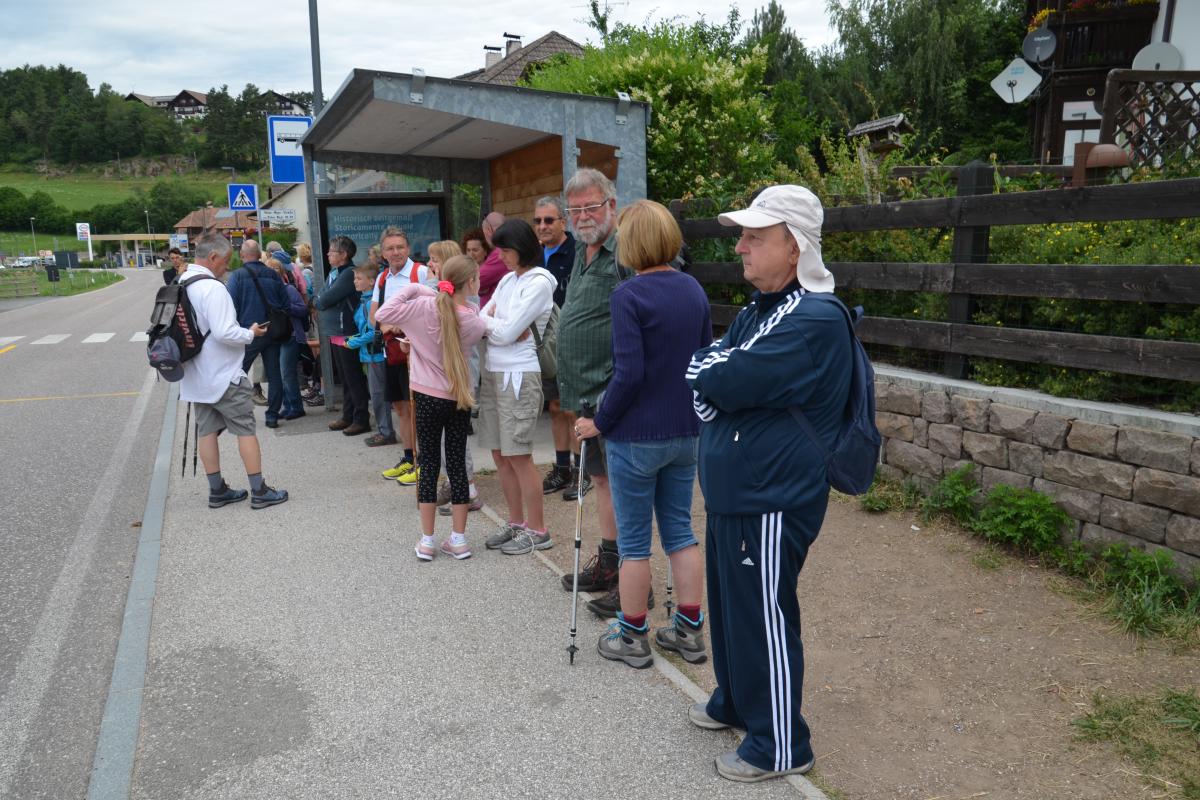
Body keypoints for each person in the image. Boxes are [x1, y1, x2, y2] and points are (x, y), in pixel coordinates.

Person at [685, 185, 847, 783]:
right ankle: (736, 700)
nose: (741, 247)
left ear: (795, 246)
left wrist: (715, 376)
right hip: (740, 489)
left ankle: (781, 742)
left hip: (774, 495)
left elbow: (725, 375)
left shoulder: (815, 319)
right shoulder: (761, 310)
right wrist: (715, 376)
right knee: (730, 608)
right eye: (742, 236)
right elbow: (711, 369)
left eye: (755, 237)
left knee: (764, 614)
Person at [575, 200, 712, 669]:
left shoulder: (628, 296)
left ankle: (633, 634)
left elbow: (629, 373)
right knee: (681, 531)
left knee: (634, 542)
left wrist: (601, 421)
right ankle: (690, 630)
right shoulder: (693, 289)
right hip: (684, 431)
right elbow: (703, 360)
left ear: (629, 244)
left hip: (635, 436)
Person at [376, 255, 487, 560]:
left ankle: (427, 541)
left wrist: (416, 289)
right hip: (458, 396)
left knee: (429, 467)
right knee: (456, 465)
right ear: (472, 282)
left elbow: (384, 312)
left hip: (426, 395)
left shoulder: (423, 306)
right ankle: (459, 539)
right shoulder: (473, 320)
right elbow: (473, 322)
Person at [556, 168, 630, 609]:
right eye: (576, 209)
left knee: (620, 487)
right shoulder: (584, 252)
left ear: (611, 207)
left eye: (591, 207)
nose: (583, 216)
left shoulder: (623, 252)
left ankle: (631, 579)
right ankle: (609, 561)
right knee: (601, 482)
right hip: (586, 396)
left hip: (611, 395)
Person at [177, 232, 288, 510]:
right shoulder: (212, 288)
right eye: (225, 261)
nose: (227, 267)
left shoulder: (182, 282)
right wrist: (250, 333)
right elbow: (226, 332)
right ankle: (259, 490)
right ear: (212, 257)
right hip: (223, 373)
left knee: (206, 431)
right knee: (245, 429)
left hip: (196, 375)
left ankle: (217, 490)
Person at [477, 219, 555, 556]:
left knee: (520, 455)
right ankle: (516, 521)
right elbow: (483, 319)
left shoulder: (539, 282)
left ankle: (539, 529)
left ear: (522, 249)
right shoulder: (508, 280)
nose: (503, 257)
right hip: (495, 371)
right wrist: (499, 325)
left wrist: (496, 325)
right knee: (499, 453)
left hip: (520, 374)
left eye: (506, 250)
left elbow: (503, 331)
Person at [425, 240, 485, 515]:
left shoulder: (461, 298)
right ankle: (455, 482)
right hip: (448, 372)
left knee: (454, 434)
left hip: (458, 373)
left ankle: (467, 486)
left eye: (434, 261)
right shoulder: (446, 296)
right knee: (446, 436)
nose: (429, 266)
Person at [531, 196, 583, 500]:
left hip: (573, 340)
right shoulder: (534, 255)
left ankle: (582, 471)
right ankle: (562, 468)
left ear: (563, 221)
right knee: (554, 407)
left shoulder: (576, 252)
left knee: (572, 408)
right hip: (545, 344)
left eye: (549, 220)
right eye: (538, 221)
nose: (543, 226)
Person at [371, 227, 429, 459]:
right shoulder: (382, 277)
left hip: (419, 354)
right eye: (390, 249)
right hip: (393, 352)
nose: (396, 252)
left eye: (400, 247)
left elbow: (436, 310)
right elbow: (374, 315)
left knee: (418, 408)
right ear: (383, 253)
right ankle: (409, 457)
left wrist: (401, 324)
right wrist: (386, 326)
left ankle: (425, 460)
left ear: (408, 248)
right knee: (400, 407)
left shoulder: (421, 273)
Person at [225, 240, 288, 428]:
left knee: (237, 372)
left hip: (248, 333)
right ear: (260, 255)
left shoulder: (236, 276)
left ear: (243, 256)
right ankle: (272, 416)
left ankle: (237, 413)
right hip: (272, 331)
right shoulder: (273, 275)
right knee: (274, 373)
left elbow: (230, 307)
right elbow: (285, 303)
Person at [314, 235, 372, 436]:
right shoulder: (333, 273)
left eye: (332, 251)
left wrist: (321, 299)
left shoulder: (347, 274)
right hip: (335, 333)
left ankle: (361, 418)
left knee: (353, 376)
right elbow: (318, 297)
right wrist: (320, 299)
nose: (328, 254)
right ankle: (348, 415)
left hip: (347, 331)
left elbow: (324, 300)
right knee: (345, 378)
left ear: (344, 255)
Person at [346, 263, 393, 445]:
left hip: (375, 355)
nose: (355, 282)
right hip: (370, 354)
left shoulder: (369, 303)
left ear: (372, 282)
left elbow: (375, 331)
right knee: (377, 394)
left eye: (359, 278)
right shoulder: (365, 301)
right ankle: (384, 429)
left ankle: (386, 432)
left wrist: (354, 342)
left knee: (378, 395)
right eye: (355, 278)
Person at [265, 257, 310, 420]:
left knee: (287, 373)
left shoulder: (289, 290)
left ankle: (296, 406)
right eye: (269, 269)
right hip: (274, 337)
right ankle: (287, 405)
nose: (272, 272)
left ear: (282, 272)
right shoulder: (266, 292)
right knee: (278, 373)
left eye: (276, 268)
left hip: (290, 336)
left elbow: (303, 310)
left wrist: (285, 308)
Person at [478, 212, 509, 307]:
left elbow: (475, 280)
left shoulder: (501, 251)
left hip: (494, 315)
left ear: (489, 230)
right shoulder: (507, 248)